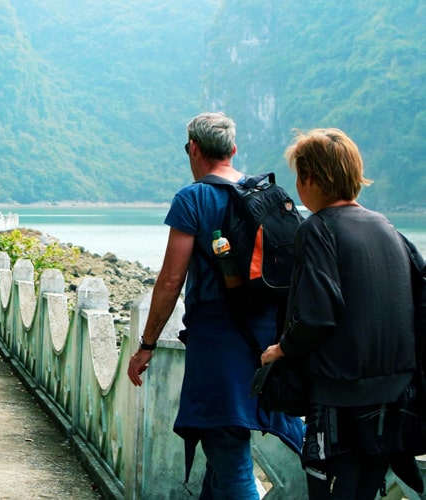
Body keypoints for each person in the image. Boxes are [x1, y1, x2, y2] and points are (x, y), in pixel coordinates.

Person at [126, 112, 303, 498]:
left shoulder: (193, 198)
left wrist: (147, 345)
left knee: (228, 451)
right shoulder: (267, 196)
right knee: (222, 453)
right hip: (267, 340)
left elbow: (172, 280)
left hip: (219, 343)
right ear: (233, 150)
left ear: (193, 148)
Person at [261, 128, 420, 498]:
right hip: (394, 395)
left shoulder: (318, 229)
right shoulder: (389, 228)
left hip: (340, 396)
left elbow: (316, 316)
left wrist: (280, 349)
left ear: (310, 179)